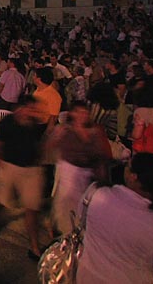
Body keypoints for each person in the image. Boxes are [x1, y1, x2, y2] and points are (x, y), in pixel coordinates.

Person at [75, 152, 153, 283]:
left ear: (133, 177)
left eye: (127, 166)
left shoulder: (95, 193)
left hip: (86, 276)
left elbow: (81, 220)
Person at [0, 95, 48, 261]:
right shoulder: (7, 123)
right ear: (20, 108)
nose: (33, 112)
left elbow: (39, 145)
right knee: (1, 198)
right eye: (30, 108)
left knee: (32, 208)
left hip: (31, 169)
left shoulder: (35, 125)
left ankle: (34, 247)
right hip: (10, 166)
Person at [45, 101, 112, 236]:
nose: (83, 115)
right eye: (79, 112)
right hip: (69, 175)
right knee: (66, 208)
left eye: (85, 112)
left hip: (88, 176)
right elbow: (49, 147)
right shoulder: (65, 130)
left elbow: (103, 155)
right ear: (72, 114)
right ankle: (65, 233)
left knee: (82, 209)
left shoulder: (95, 131)